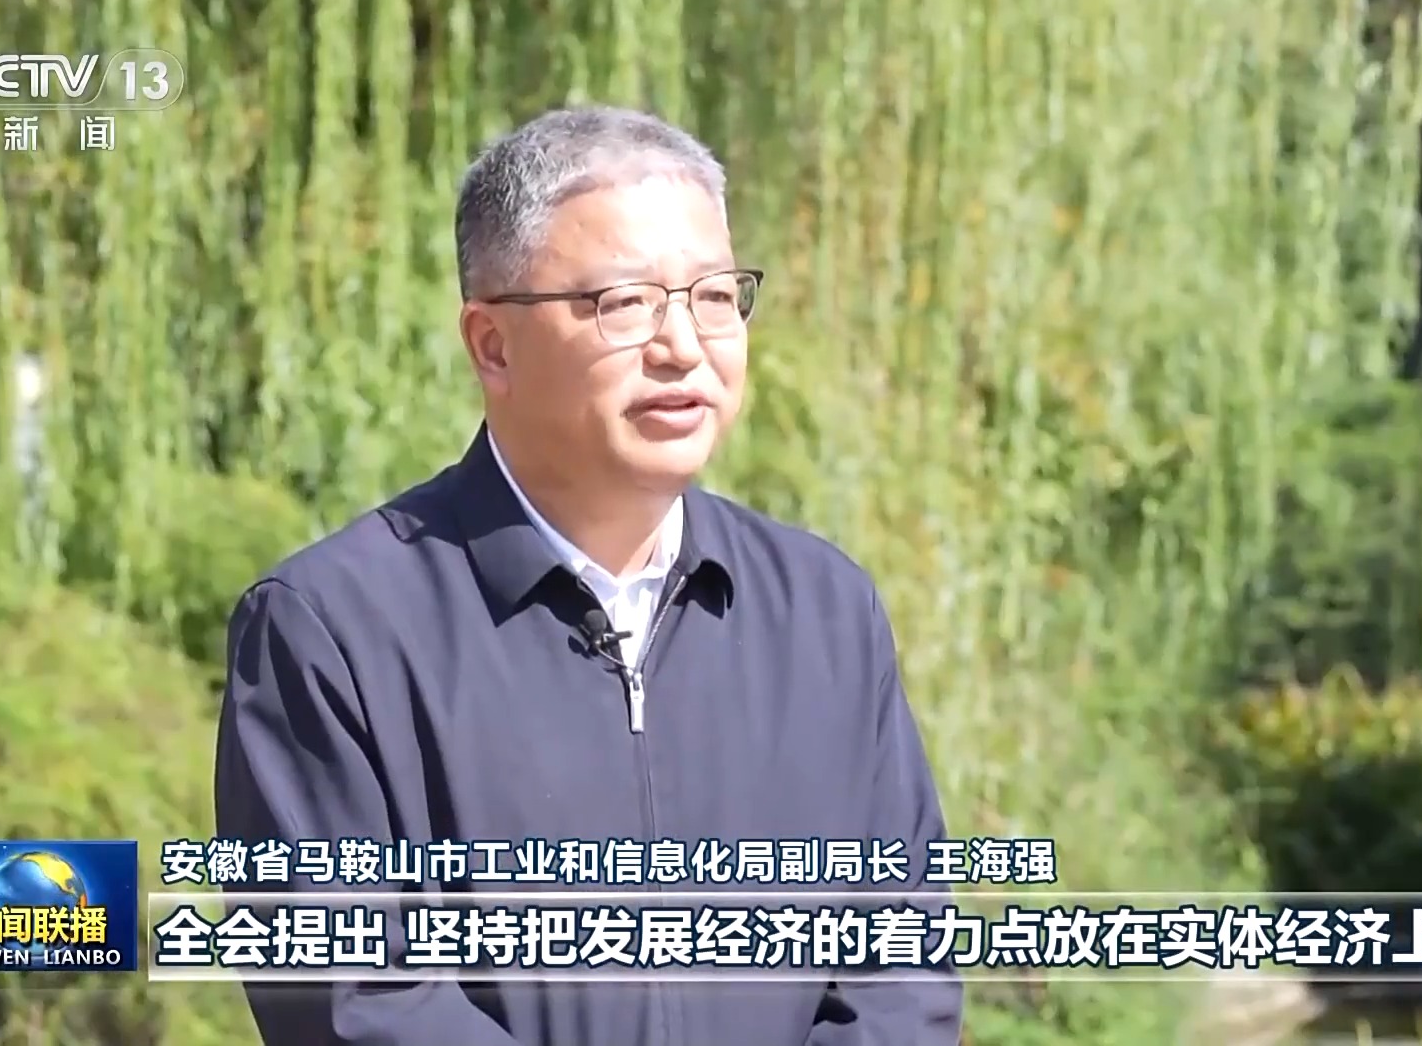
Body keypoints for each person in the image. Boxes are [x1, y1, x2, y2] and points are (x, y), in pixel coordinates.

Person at [214, 105, 963, 1046]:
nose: (682, 345)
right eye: (625, 303)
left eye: (714, 296)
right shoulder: (332, 629)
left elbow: (902, 971)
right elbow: (359, 1004)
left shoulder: (823, 613)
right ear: (492, 345)